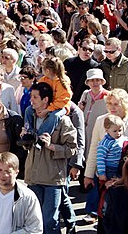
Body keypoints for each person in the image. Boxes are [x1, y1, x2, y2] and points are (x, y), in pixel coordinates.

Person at [22, 82, 78, 234]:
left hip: (53, 177)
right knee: (35, 218)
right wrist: (25, 140)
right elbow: (28, 147)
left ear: (45, 100)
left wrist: (52, 146)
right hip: (33, 175)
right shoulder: (30, 117)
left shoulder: (62, 120)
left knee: (50, 220)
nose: (31, 100)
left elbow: (73, 148)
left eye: (35, 97)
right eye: (31, 96)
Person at [100, 37, 128, 114]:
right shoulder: (102, 65)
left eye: (111, 52)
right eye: (106, 51)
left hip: (123, 108)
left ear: (119, 49)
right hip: (107, 107)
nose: (108, 54)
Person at [96, 115, 128, 183]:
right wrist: (101, 173)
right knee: (113, 185)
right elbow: (100, 159)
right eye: (115, 131)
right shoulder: (104, 143)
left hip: (120, 166)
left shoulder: (122, 138)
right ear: (107, 130)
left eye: (120, 130)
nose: (118, 133)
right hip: (110, 168)